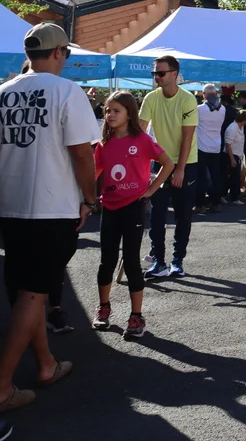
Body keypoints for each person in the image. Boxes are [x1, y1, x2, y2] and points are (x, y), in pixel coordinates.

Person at [0, 23, 99, 413]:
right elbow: (82, 153)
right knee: (33, 293)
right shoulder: (67, 92)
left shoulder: (3, 92)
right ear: (59, 53)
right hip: (51, 207)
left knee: (28, 291)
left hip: (10, 207)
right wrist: (90, 198)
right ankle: (2, 387)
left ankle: (46, 365)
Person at [92, 92, 174, 339]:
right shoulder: (103, 144)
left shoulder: (142, 140)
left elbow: (168, 164)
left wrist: (150, 190)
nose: (110, 115)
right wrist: (86, 198)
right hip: (110, 208)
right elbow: (93, 173)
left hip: (134, 207)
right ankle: (103, 308)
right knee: (106, 260)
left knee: (131, 261)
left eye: (116, 110)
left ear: (129, 114)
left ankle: (136, 317)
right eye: (107, 110)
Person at [140, 55, 199, 279]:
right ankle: (159, 261)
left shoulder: (188, 99)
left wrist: (180, 169)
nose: (157, 77)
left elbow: (187, 138)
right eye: (154, 73)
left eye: (161, 73)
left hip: (186, 162)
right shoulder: (151, 98)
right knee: (157, 213)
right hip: (161, 162)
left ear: (174, 74)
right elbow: (140, 132)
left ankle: (177, 261)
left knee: (183, 214)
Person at [195, 83, 226, 214]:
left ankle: (200, 204)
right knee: (216, 176)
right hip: (216, 146)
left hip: (202, 147)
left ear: (204, 95)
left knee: (201, 177)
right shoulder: (223, 109)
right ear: (215, 94)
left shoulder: (200, 109)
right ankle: (216, 203)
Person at [224, 110, 246, 205]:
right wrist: (232, 159)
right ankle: (233, 197)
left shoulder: (240, 127)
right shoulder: (232, 128)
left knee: (234, 177)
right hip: (232, 155)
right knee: (234, 177)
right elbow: (228, 144)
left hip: (237, 154)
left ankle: (228, 195)